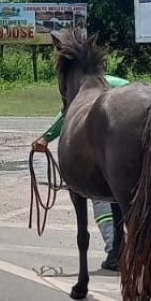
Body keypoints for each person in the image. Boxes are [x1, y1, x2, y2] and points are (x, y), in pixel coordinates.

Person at [32, 73, 130, 271]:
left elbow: (67, 114)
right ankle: (126, 250)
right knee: (122, 196)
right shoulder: (120, 83)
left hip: (103, 143)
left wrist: (45, 137)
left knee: (100, 197)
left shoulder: (85, 88)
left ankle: (114, 249)